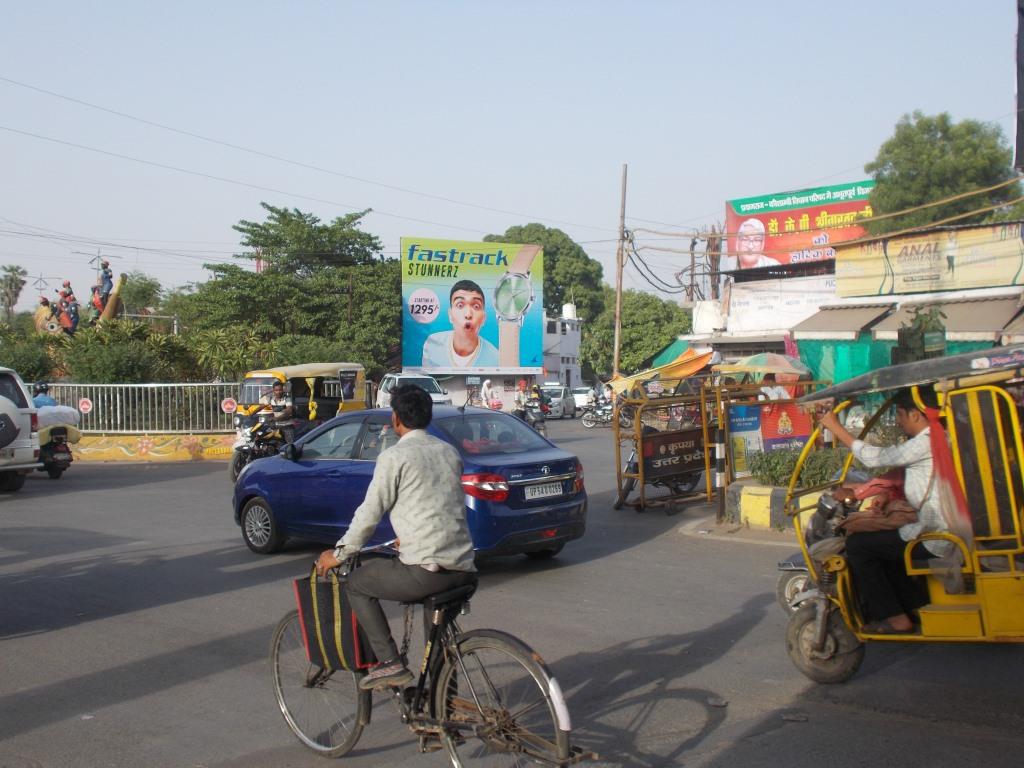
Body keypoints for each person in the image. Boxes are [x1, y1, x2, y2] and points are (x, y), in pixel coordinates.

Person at [315, 385, 476, 689]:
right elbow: (441, 503)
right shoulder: (448, 451)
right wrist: (411, 537)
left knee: (358, 583)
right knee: (438, 642)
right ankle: (444, 708)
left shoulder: (395, 456)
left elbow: (369, 515)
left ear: (396, 419)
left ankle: (390, 662)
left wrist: (339, 554)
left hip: (427, 573)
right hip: (464, 569)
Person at [818, 387, 948, 634]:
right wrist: (885, 494)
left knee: (858, 546)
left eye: (899, 415)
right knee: (883, 547)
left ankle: (895, 618)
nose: (898, 422)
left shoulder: (927, 441)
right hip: (938, 526)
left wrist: (836, 428)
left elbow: (877, 458)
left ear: (915, 415)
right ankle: (913, 606)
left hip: (937, 534)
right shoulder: (941, 436)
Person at [421, 280, 499, 368]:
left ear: (483, 318)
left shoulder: (495, 358)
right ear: (450, 315)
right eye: (460, 305)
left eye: (476, 306)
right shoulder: (432, 344)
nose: (468, 314)